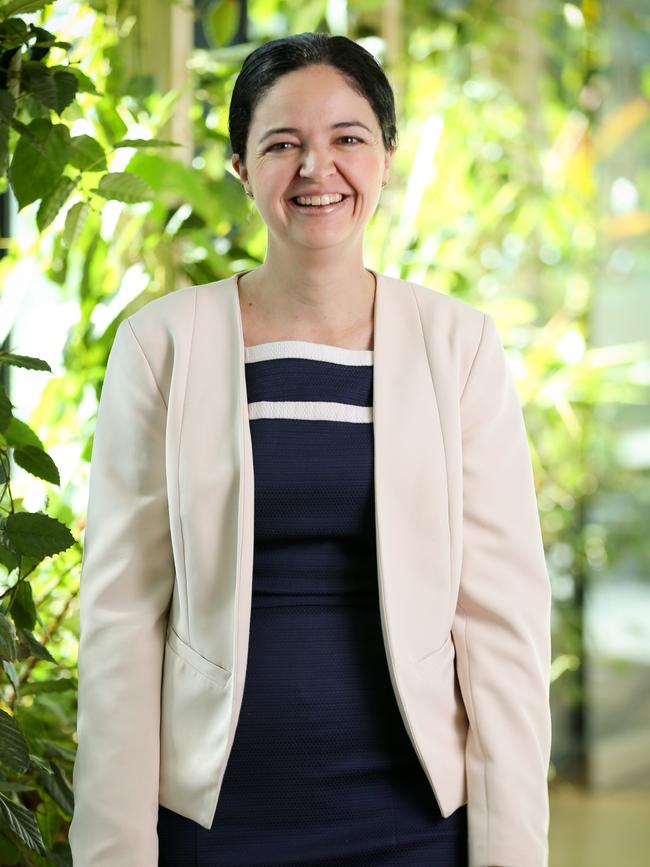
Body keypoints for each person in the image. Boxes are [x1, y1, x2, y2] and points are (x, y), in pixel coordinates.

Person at [68, 32, 552, 867]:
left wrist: (511, 850)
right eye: (282, 143)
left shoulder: (457, 345)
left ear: (388, 158)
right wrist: (115, 850)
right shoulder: (164, 345)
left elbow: (502, 625)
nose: (314, 169)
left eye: (347, 139)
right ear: (240, 167)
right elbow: (120, 621)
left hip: (415, 821)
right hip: (213, 821)